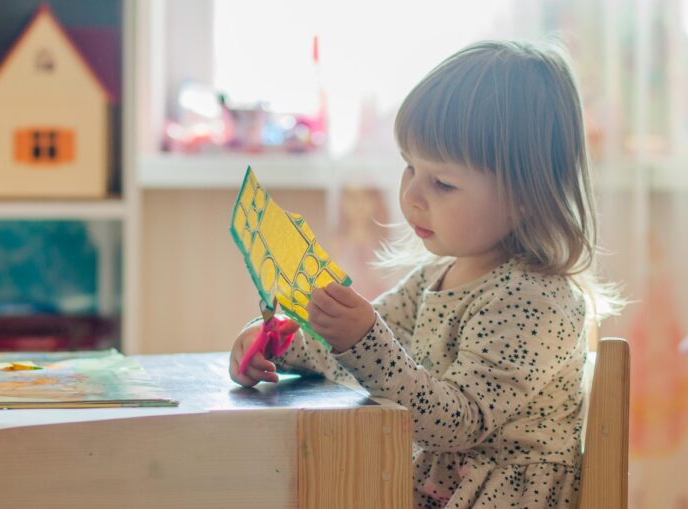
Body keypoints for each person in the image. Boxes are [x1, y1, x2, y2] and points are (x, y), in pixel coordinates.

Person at [229, 40, 619, 508]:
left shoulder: (537, 300)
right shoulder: (436, 275)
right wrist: (279, 344)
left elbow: (455, 422)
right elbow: (364, 356)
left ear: (526, 196)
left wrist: (362, 339)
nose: (411, 194)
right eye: (409, 167)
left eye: (443, 183)